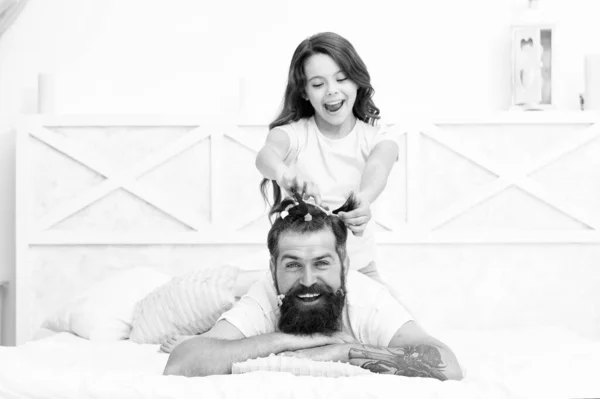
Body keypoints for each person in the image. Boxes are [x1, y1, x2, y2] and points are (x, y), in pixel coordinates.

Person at [163, 194, 463, 381]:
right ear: (273, 269)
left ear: (344, 265)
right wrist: (287, 341)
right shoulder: (264, 293)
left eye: (321, 263)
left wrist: (343, 350)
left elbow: (447, 364)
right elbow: (181, 362)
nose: (307, 280)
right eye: (293, 265)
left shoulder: (367, 299)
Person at [256, 31, 402, 284]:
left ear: (357, 81)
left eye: (341, 79)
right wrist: (285, 175)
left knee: (401, 321)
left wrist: (364, 199)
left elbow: (379, 166)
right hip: (302, 276)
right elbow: (266, 156)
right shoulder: (294, 135)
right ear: (304, 92)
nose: (331, 91)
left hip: (360, 270)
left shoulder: (378, 136)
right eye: (318, 84)